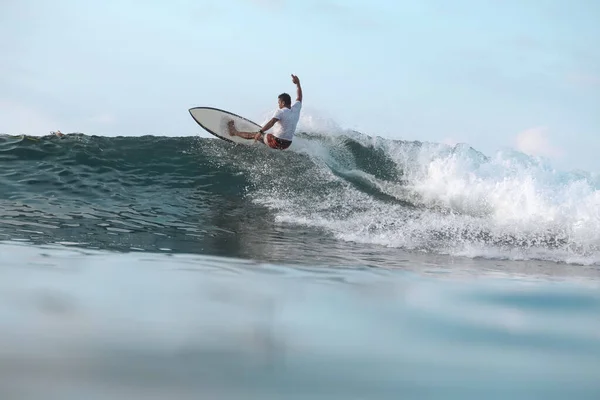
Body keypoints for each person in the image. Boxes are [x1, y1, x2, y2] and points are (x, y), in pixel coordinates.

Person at [227, 74, 302, 150]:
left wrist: (260, 131)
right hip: (287, 144)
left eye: (279, 102)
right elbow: (299, 97)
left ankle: (234, 132)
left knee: (255, 135)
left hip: (276, 141)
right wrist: (298, 83)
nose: (278, 104)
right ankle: (260, 139)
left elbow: (272, 122)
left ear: (283, 103)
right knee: (265, 137)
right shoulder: (296, 109)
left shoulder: (281, 111)